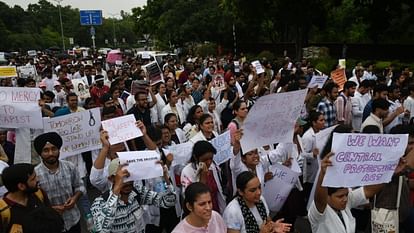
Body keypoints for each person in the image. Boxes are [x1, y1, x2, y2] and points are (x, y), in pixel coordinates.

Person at [91, 158, 176, 233]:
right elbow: (102, 230)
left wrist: (164, 177)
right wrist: (116, 189)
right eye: (122, 178)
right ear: (111, 179)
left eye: (130, 176)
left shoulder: (138, 192)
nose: (127, 182)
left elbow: (169, 202)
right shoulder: (100, 204)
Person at [34, 132, 85, 233]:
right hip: (50, 224)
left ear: (59, 149)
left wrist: (75, 198)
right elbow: (34, 202)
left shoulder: (69, 166)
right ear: (40, 153)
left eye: (54, 149)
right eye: (46, 150)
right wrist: (50, 209)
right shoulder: (35, 174)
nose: (51, 153)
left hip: (73, 219)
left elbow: (80, 187)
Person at [223, 171, 291, 233]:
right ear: (240, 192)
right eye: (253, 190)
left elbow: (268, 221)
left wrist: (273, 226)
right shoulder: (232, 212)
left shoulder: (260, 199)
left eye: (259, 187)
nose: (258, 192)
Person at [0, 164, 52, 233]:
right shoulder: (3, 211)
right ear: (21, 186)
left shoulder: (39, 194)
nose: (37, 180)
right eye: (33, 179)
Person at [181, 141, 227, 214]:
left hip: (216, 208)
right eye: (205, 159)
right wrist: (203, 178)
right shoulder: (187, 172)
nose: (209, 162)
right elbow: (192, 197)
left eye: (211, 158)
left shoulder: (213, 167)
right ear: (196, 157)